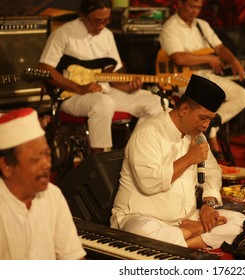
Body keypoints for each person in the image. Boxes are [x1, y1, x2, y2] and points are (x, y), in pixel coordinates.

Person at [111, 75, 245, 249]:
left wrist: (208, 204)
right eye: (203, 118)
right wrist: (190, 158)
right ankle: (195, 236)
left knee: (240, 222)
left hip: (185, 219)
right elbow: (149, 183)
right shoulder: (148, 133)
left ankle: (183, 240)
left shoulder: (197, 136)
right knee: (143, 233)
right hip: (142, 217)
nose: (206, 125)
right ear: (184, 110)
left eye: (210, 120)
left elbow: (213, 172)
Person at [39, 0, 165, 153]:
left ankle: (133, 152)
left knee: (157, 101)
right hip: (70, 96)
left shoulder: (107, 35)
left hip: (104, 92)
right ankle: (100, 161)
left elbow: (112, 74)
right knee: (103, 103)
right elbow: (45, 68)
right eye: (97, 21)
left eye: (106, 20)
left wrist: (128, 87)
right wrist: (79, 87)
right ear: (82, 16)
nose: (101, 26)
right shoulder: (63, 34)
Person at [159, 0, 245, 156]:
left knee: (242, 96)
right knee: (211, 98)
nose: (195, 11)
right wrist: (208, 59)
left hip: (207, 76)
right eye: (191, 6)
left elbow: (219, 47)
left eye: (198, 7)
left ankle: (211, 129)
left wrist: (234, 61)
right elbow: (178, 58)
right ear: (180, 4)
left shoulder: (202, 25)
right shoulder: (170, 27)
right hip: (184, 80)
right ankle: (209, 132)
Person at [0, 108, 86, 259]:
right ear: (6, 166)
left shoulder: (53, 195)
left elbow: (73, 258)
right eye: (35, 159)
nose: (46, 164)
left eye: (47, 155)